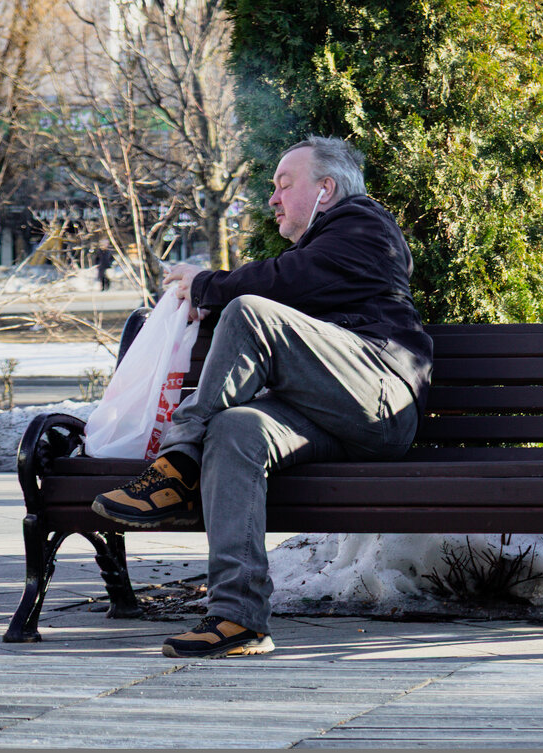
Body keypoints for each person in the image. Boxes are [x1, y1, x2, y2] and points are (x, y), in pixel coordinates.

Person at [92, 136, 433, 658]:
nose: (272, 198)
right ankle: (239, 618)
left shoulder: (365, 225)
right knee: (236, 430)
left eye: (283, 184)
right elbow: (294, 288)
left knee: (250, 310)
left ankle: (178, 460)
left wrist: (207, 285)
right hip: (330, 414)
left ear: (326, 188)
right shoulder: (326, 246)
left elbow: (280, 284)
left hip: (381, 395)